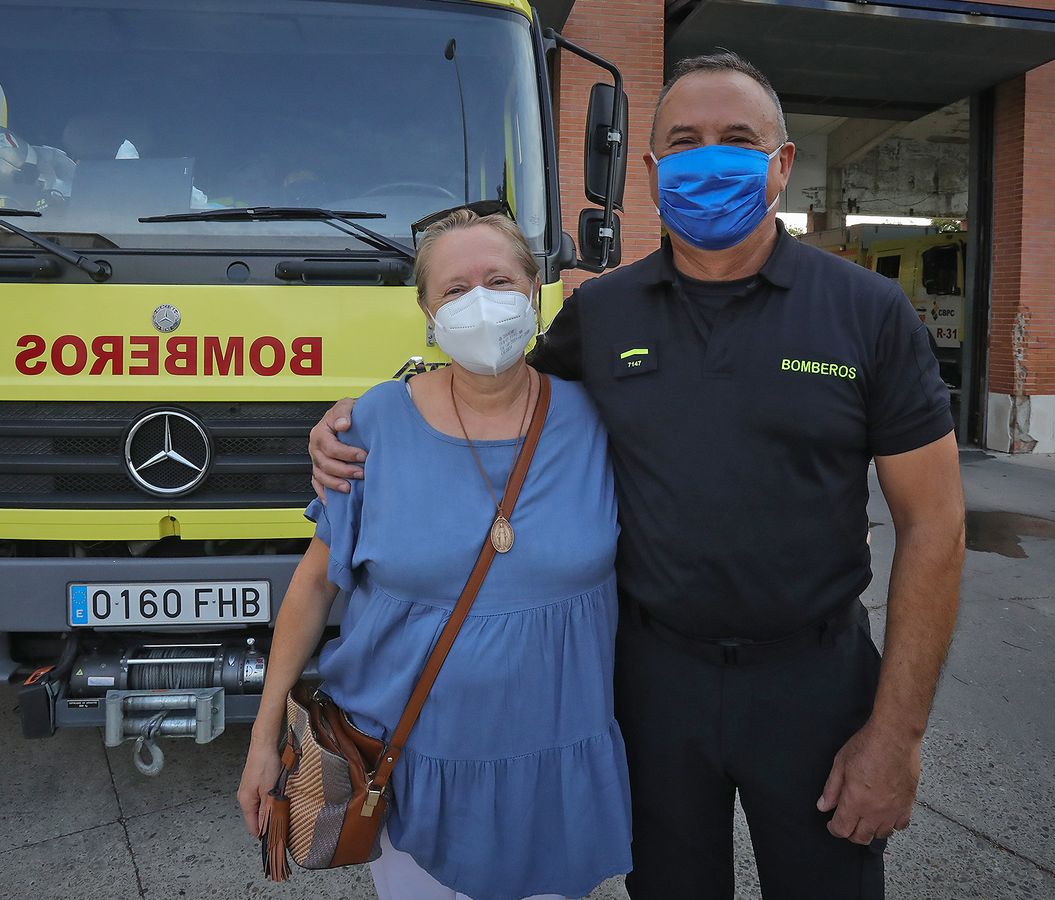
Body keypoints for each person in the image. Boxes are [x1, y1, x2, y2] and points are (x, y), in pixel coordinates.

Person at [311, 52, 966, 899]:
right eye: (684, 142)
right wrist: (368, 415)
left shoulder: (867, 313)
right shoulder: (603, 312)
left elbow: (934, 526)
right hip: (652, 686)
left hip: (815, 683)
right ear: (651, 174)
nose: (710, 158)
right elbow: (493, 389)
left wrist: (897, 736)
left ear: (782, 164)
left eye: (738, 139)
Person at [237, 209, 631, 900]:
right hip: (405, 767)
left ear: (535, 290)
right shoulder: (371, 425)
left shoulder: (601, 420)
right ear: (427, 313)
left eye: (499, 280)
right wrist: (263, 738)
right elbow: (313, 587)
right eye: (454, 289)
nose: (481, 302)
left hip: (553, 770)